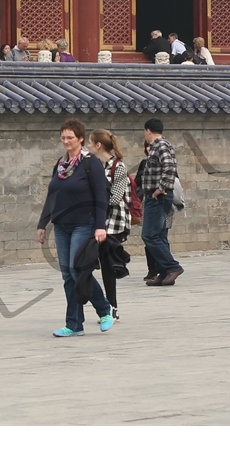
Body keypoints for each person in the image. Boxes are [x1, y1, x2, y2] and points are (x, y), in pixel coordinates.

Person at [36, 118, 113, 336]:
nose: (66, 141)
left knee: (77, 269)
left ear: (80, 138)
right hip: (62, 225)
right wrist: (43, 224)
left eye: (71, 137)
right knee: (68, 275)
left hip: (84, 223)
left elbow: (101, 196)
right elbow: (52, 196)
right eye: (63, 137)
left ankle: (104, 309)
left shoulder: (90, 163)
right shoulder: (60, 165)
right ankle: (74, 324)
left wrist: (100, 226)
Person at [90, 129, 131, 321]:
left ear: (98, 145)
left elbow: (116, 197)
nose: (88, 147)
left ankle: (112, 307)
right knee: (98, 264)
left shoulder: (119, 167)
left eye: (90, 143)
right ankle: (107, 306)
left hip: (114, 223)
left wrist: (97, 199)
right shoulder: (93, 165)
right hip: (98, 220)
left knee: (107, 266)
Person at [138, 117, 184, 285]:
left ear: (148, 131)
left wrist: (161, 188)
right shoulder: (159, 146)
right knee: (159, 234)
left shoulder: (161, 145)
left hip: (158, 196)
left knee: (149, 235)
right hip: (155, 196)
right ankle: (164, 273)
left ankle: (172, 267)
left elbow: (170, 167)